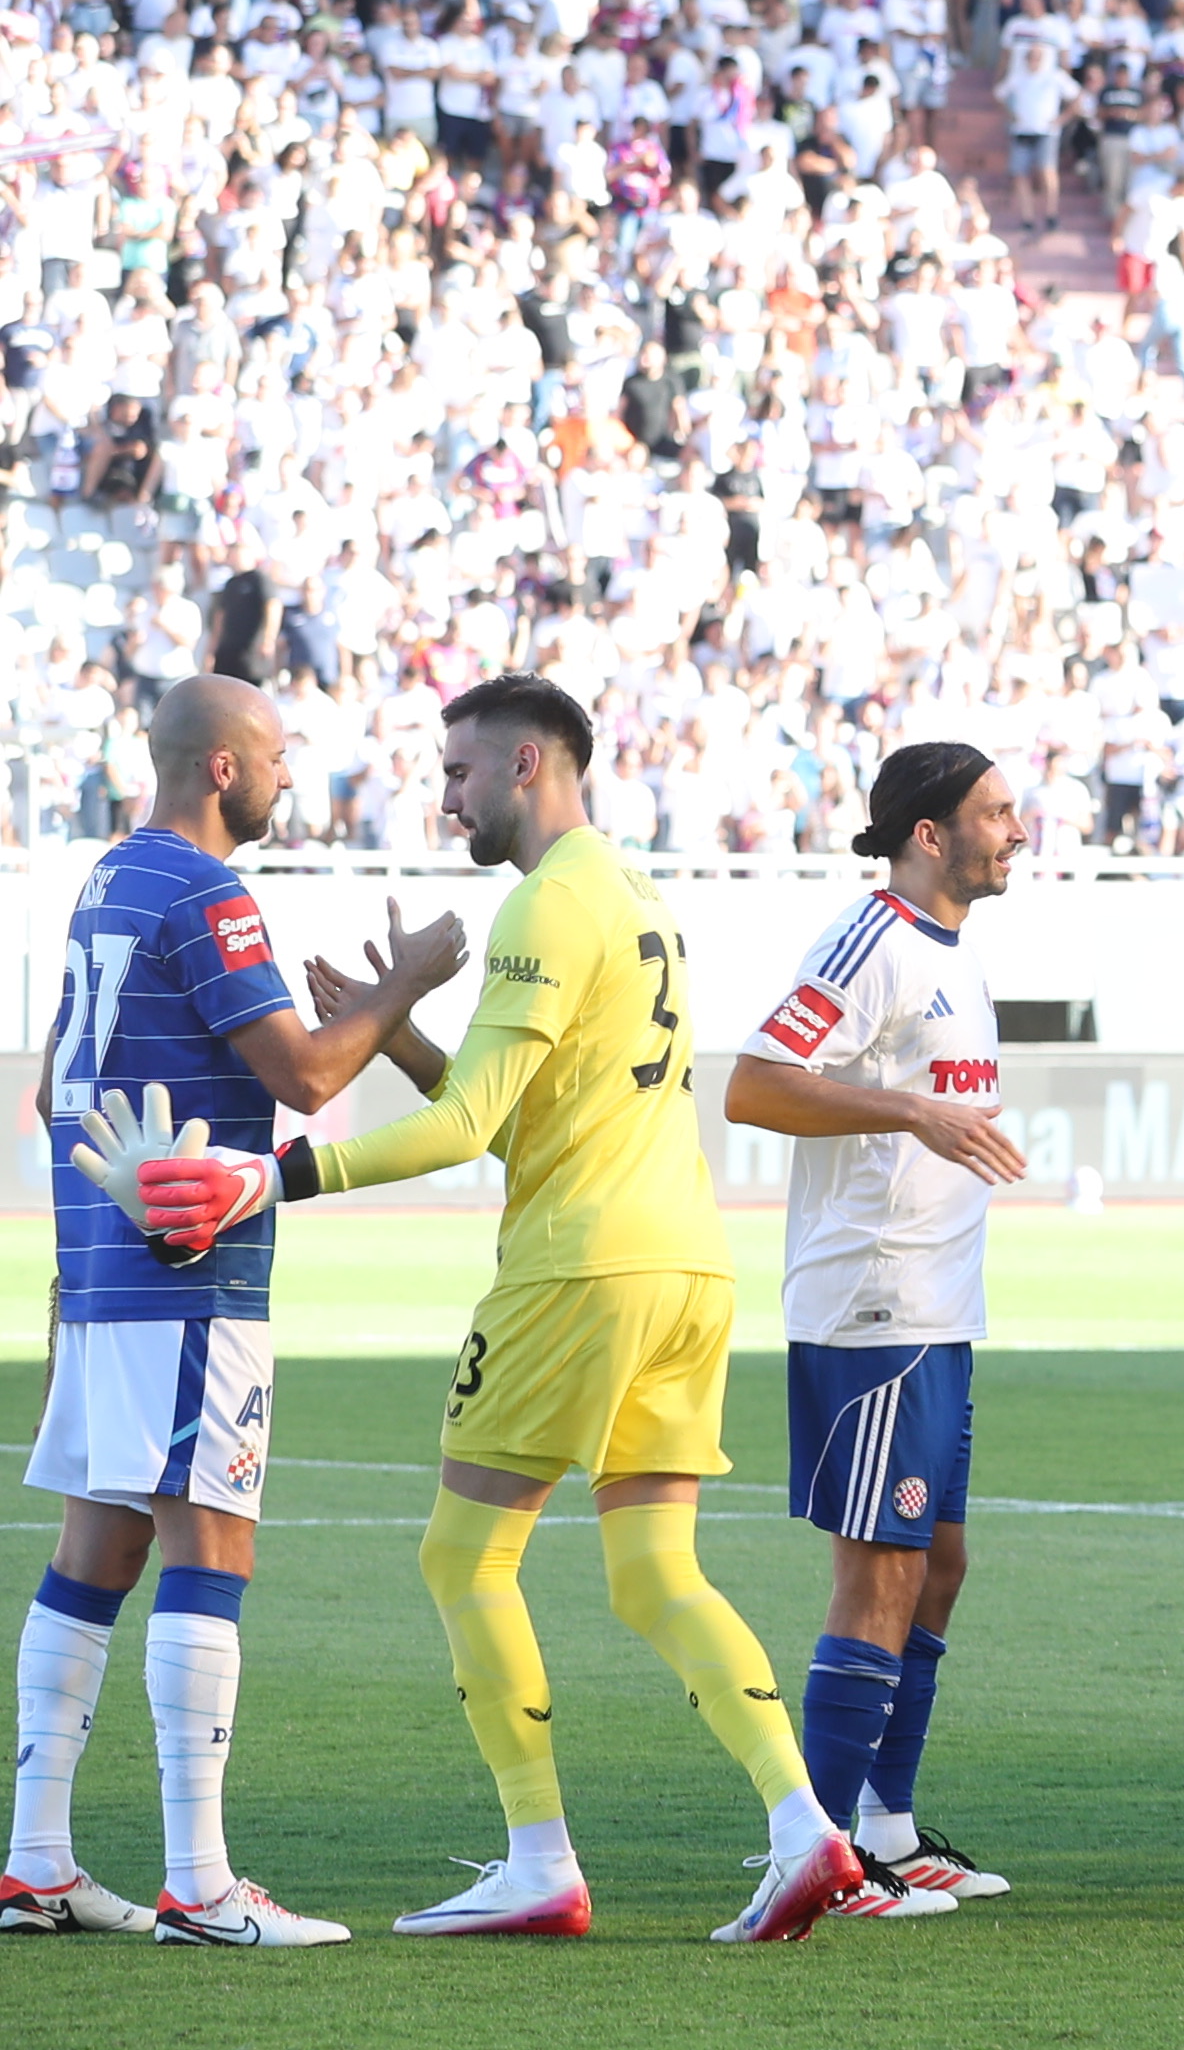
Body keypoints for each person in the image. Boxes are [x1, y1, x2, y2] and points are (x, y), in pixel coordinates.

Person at [119, 679, 870, 1942]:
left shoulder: (542, 903)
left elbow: (469, 1129)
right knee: (654, 1572)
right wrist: (404, 1033)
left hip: (576, 1274)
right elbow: (514, 1111)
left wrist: (277, 1175)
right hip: (687, 1268)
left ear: (529, 764)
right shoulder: (634, 896)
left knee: (464, 1557)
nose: (446, 793)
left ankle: (539, 1859)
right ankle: (805, 1828)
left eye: (459, 771)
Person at [9, 673, 460, 1947]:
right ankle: (200, 1887)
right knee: (213, 1548)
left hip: (103, 1270)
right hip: (187, 1275)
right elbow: (311, 1077)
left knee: (96, 1551)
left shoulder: (108, 880)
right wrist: (403, 988)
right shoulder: (208, 892)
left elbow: (52, 1092)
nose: (285, 778)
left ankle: (36, 1861)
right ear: (222, 769)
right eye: (275, 757)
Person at [719, 742, 1031, 1917]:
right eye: (994, 813)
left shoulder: (954, 953)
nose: (1016, 830)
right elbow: (752, 1085)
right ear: (927, 833)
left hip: (939, 1309)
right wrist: (911, 1109)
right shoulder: (871, 942)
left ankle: (884, 1827)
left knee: (938, 1565)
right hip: (873, 1306)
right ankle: (820, 1855)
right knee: (881, 1575)